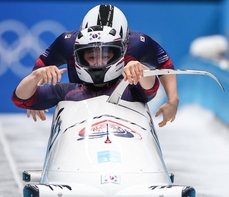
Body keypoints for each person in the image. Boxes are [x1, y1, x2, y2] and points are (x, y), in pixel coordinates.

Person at [27, 4, 178, 127]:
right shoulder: (67, 42)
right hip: (79, 103)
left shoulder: (139, 43)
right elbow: (42, 66)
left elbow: (164, 64)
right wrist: (34, 92)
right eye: (90, 52)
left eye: (107, 51)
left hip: (123, 103)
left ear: (125, 43)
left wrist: (173, 100)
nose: (98, 60)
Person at [12, 25, 159, 111]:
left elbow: (150, 88)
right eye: (92, 57)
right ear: (80, 59)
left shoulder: (130, 89)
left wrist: (141, 69)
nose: (98, 63)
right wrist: (35, 76)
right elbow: (21, 99)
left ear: (117, 57)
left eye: (105, 56)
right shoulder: (66, 91)